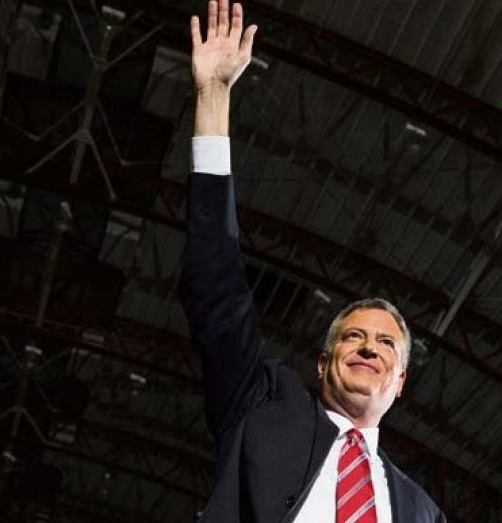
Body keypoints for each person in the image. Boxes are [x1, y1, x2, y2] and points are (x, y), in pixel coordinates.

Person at [181, 1, 446, 521]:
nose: (369, 347)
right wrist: (213, 96)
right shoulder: (261, 406)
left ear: (400, 382)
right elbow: (215, 285)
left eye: (386, 344)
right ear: (323, 363)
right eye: (354, 336)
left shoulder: (423, 512)